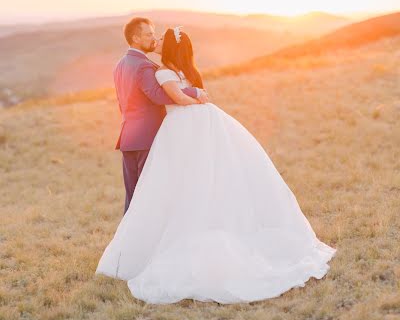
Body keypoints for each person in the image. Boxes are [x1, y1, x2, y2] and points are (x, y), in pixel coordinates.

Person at [96, 26, 337, 304]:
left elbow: (168, 97)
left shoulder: (155, 70)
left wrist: (189, 95)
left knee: (152, 192)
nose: (155, 40)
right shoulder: (174, 72)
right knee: (180, 184)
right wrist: (195, 92)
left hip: (173, 131)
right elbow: (169, 96)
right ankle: (144, 245)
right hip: (183, 128)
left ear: (170, 48)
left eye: (159, 38)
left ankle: (139, 249)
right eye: (152, 35)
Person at [113, 17, 208, 214]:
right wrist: (194, 92)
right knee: (149, 194)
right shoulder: (143, 66)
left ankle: (129, 240)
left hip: (128, 138)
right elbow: (158, 95)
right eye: (148, 34)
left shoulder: (120, 65)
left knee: (133, 195)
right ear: (135, 38)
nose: (153, 39)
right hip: (147, 138)